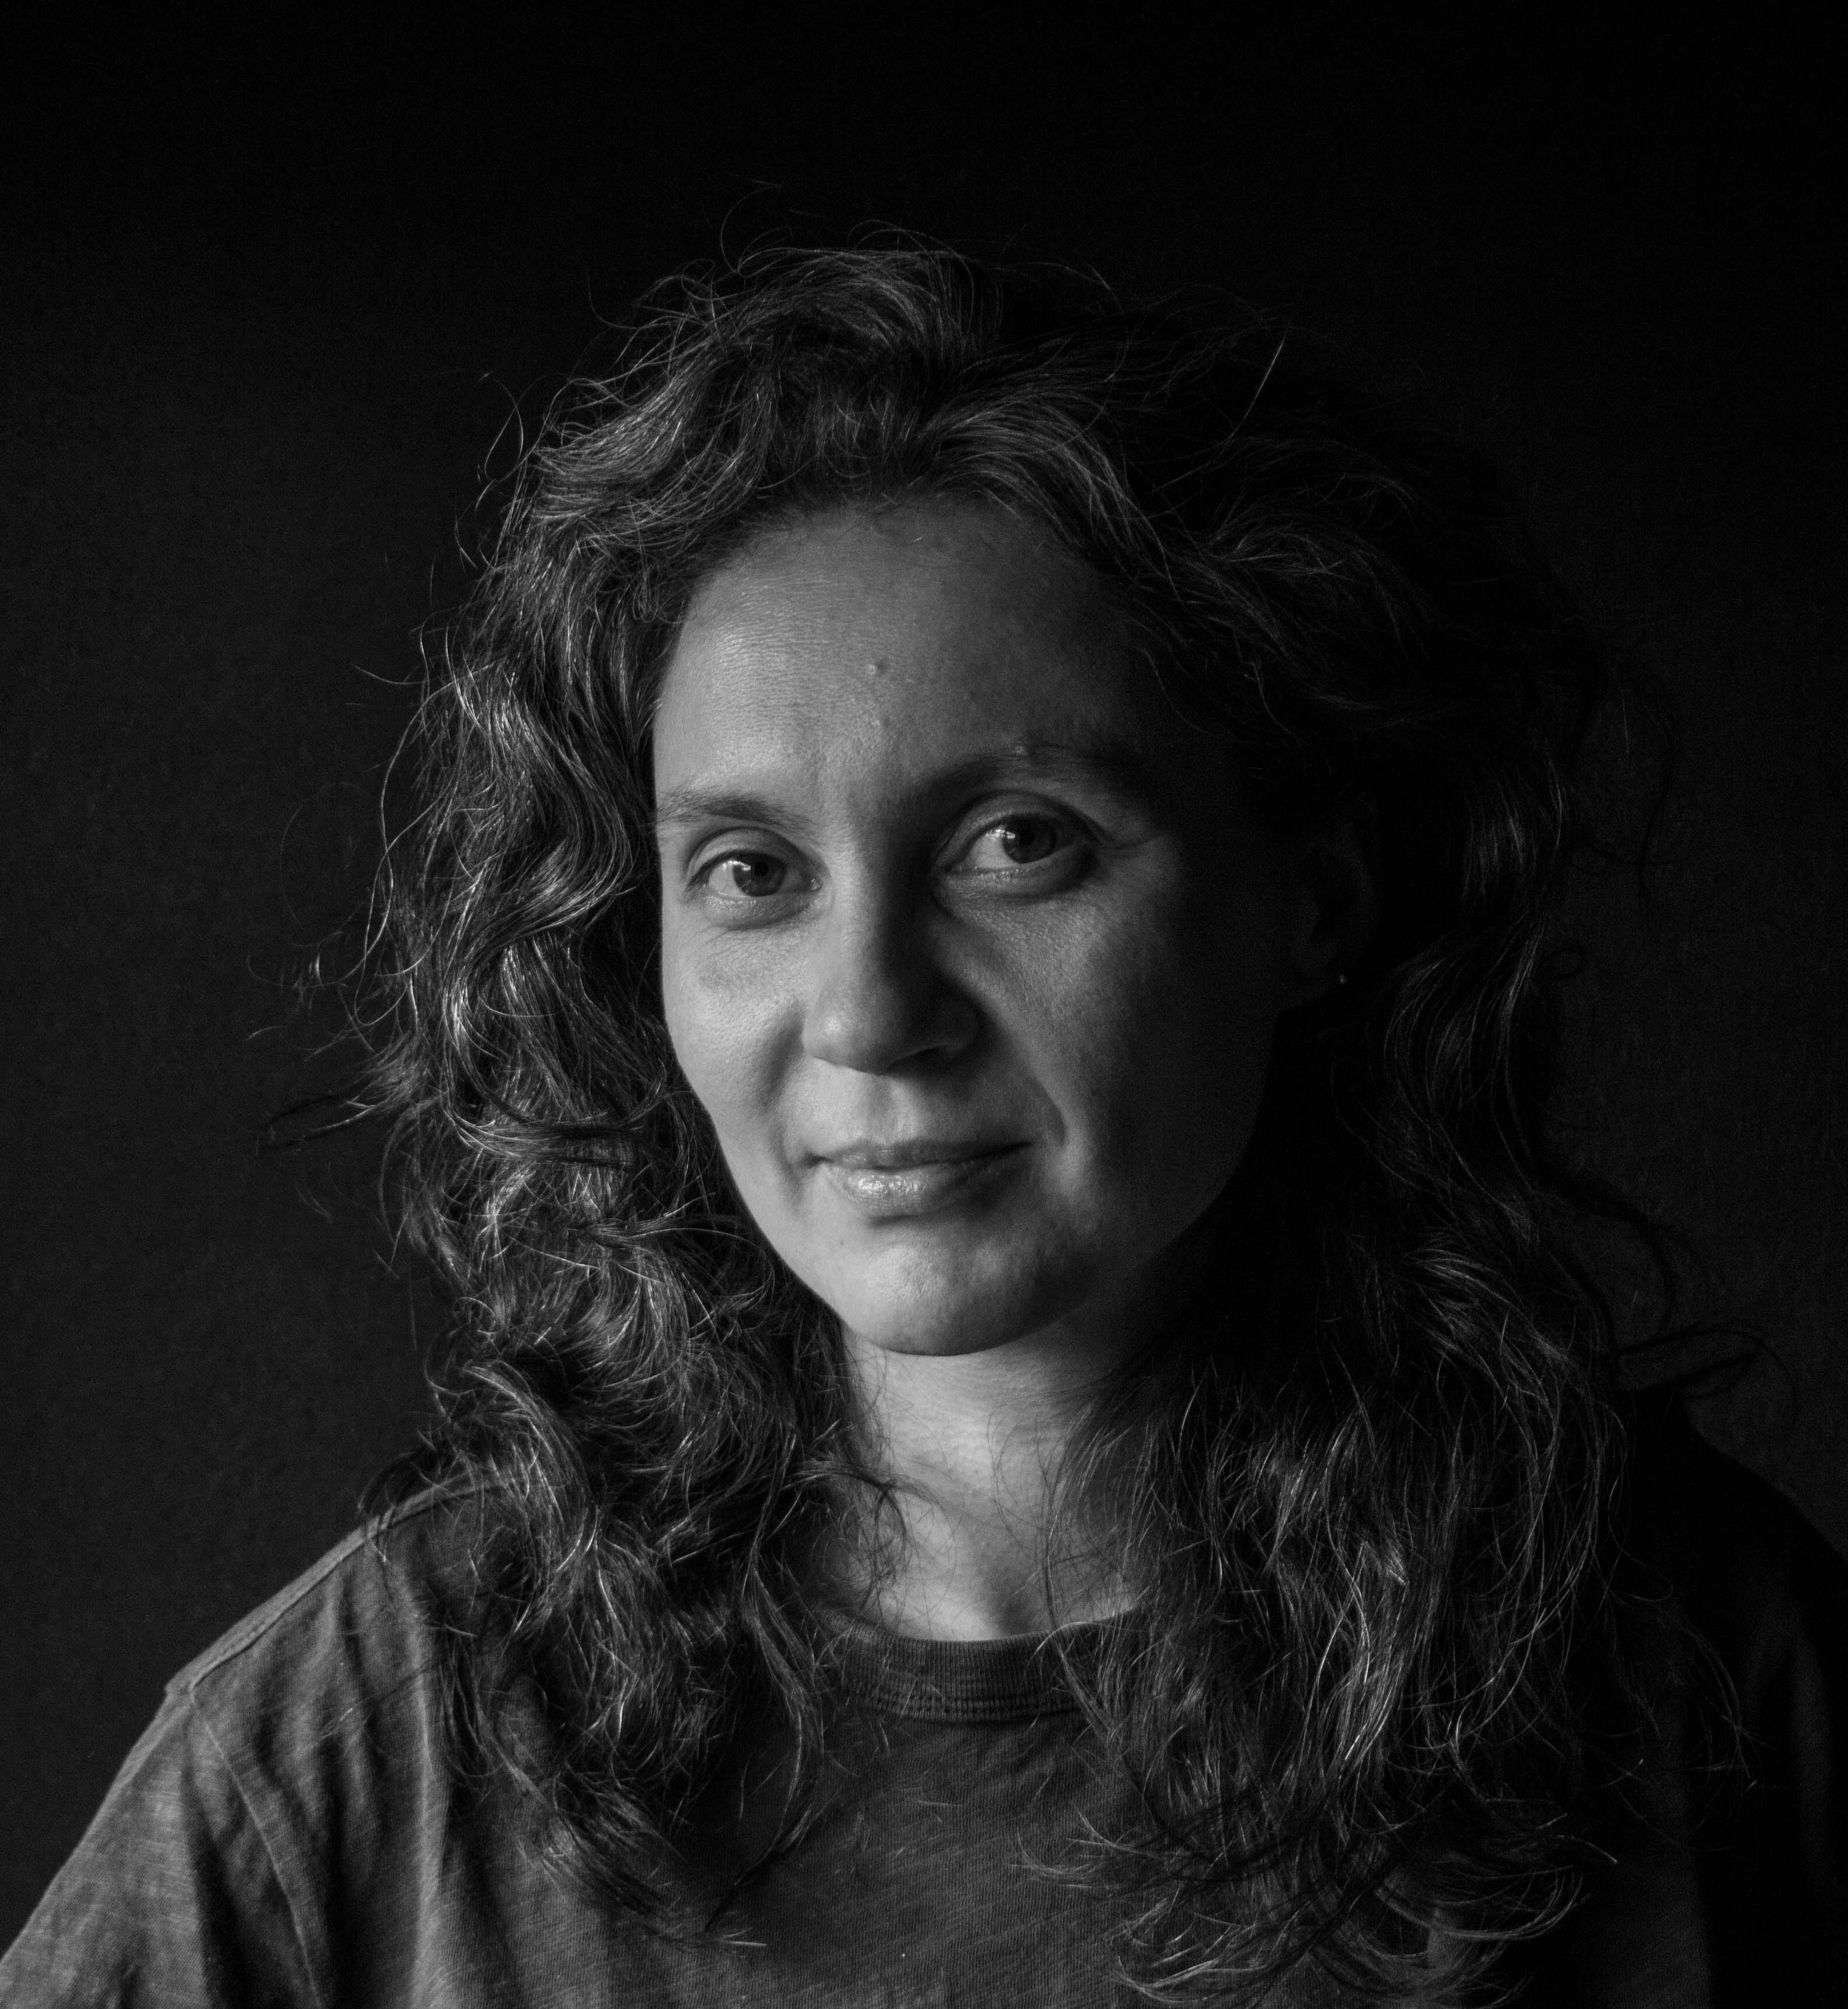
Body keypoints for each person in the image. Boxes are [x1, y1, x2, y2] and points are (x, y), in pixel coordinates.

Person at [5, 246, 1842, 2006]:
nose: (872, 1011)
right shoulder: (374, 1730)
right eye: (749, 872)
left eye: (1016, 844)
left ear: (1316, 899)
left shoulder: (1703, 1677)